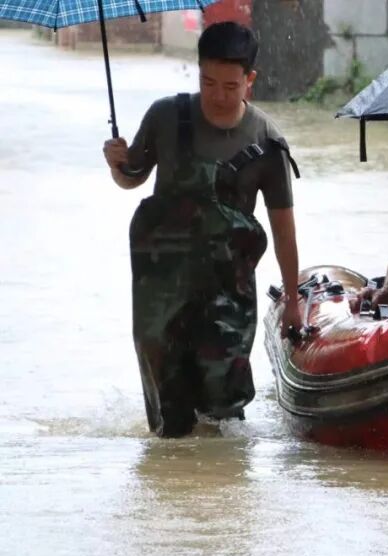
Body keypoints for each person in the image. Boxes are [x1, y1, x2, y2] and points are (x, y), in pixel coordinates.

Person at [102, 21, 302, 438]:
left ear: (250, 80)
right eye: (208, 83)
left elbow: (284, 230)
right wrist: (117, 163)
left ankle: (222, 478)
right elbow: (131, 178)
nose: (219, 96)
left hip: (228, 296)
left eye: (230, 86)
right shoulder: (164, 116)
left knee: (222, 415)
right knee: (170, 420)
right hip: (160, 291)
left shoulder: (267, 142)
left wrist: (292, 301)